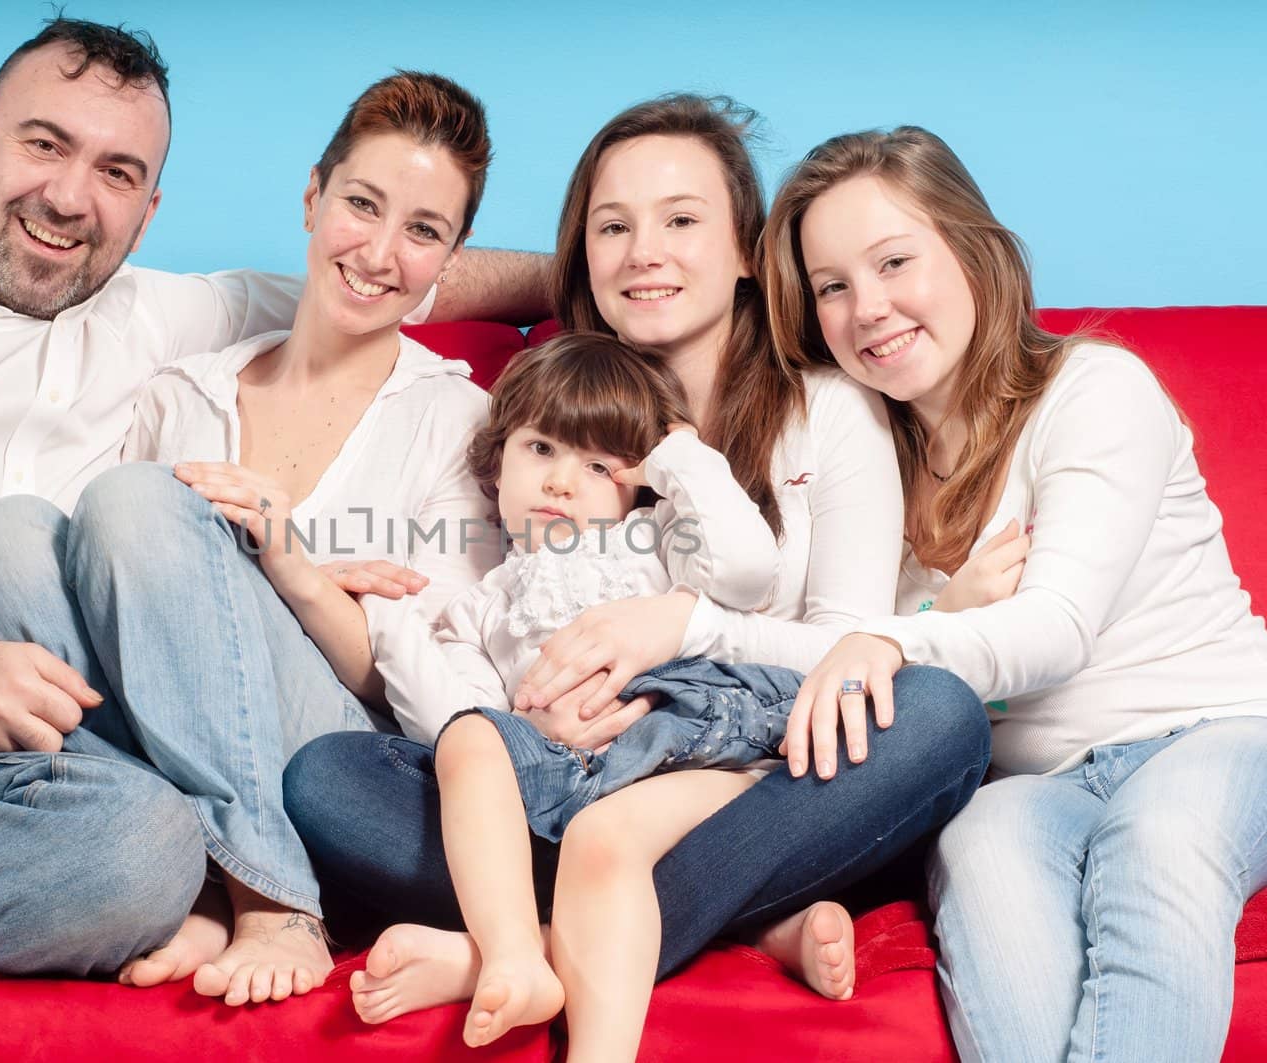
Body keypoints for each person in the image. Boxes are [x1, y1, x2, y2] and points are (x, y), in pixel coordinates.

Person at [0, 18, 539, 1063]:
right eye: (44, 145)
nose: (73, 197)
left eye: (116, 171)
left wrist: (622, 268)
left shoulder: (160, 316)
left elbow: (384, 278)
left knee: (144, 845)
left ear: (149, 207)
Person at [283, 94, 992, 1026]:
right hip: (561, 776)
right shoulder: (560, 404)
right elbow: (479, 613)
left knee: (937, 712)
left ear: (748, 248)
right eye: (612, 227)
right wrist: (515, 711)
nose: (644, 253)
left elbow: (846, 657)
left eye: (683, 221)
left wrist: (683, 627)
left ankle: (524, 949)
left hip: (754, 779)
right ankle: (699, 921)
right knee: (330, 777)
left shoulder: (829, 407)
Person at [0, 70, 505, 1008]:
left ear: (450, 254)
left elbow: (428, 687)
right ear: (313, 196)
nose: (379, 252)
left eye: (423, 231)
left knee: (135, 501)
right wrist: (261, 572)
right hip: (173, 744)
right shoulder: (184, 390)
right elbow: (106, 614)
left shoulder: (459, 419)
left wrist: (289, 572)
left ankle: (272, 893)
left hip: (352, 764)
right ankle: (195, 870)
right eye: (362, 205)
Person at [763, 125, 1267, 1062]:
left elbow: (1057, 628)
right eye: (833, 286)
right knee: (979, 845)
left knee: (1162, 841)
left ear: (974, 250)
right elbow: (868, 665)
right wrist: (934, 622)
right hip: (1030, 779)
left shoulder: (1097, 388)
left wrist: (902, 638)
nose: (867, 307)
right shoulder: (863, 456)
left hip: (1217, 726)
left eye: (894, 261)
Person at [369, 332, 855, 1058]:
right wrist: (387, 613)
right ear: (496, 462)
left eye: (598, 463)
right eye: (541, 450)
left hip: (700, 750)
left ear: (638, 481)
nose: (563, 481)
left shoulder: (658, 538)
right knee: (469, 742)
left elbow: (749, 572)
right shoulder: (480, 606)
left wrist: (680, 452)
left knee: (609, 843)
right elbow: (453, 726)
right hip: (575, 782)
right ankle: (515, 955)